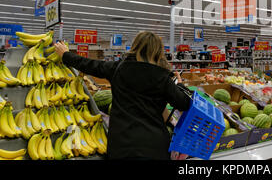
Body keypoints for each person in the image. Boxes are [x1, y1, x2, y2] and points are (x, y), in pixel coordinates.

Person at [54, 31, 191, 160]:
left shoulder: (118, 68)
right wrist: (180, 85)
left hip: (122, 144)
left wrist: (66, 54)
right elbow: (184, 103)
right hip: (153, 145)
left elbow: (89, 65)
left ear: (135, 46)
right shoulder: (162, 77)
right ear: (157, 51)